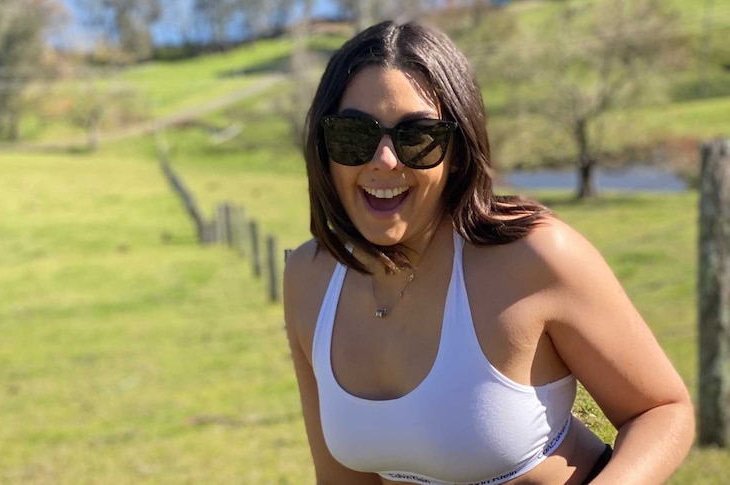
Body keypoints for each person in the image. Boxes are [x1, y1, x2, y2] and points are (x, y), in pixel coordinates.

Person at [282, 20, 694, 485]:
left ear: (457, 150)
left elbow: (662, 410)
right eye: (354, 135)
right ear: (324, 146)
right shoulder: (308, 277)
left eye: (417, 136)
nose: (385, 159)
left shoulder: (535, 255)